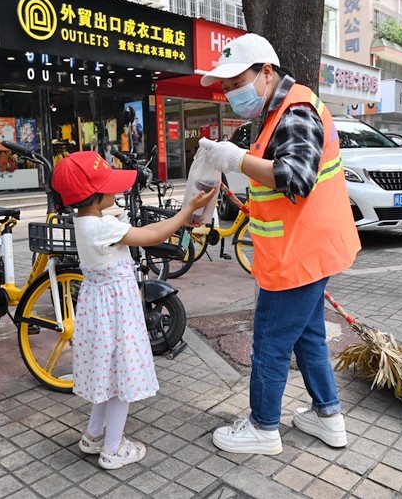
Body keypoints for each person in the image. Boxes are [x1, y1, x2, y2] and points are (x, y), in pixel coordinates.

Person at [198, 33, 361, 454]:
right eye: (227, 88)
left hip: (298, 256)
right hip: (308, 249)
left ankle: (263, 426)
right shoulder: (279, 112)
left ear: (267, 72)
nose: (231, 94)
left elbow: (297, 178)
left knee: (270, 340)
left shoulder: (296, 110)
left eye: (237, 83)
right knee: (308, 336)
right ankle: (328, 416)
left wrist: (235, 160)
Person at [51, 151, 215, 469]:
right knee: (120, 378)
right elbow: (151, 235)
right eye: (109, 186)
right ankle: (112, 449)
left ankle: (94, 434)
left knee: (108, 376)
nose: (116, 189)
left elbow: (140, 228)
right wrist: (187, 210)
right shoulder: (102, 227)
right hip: (116, 313)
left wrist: (174, 218)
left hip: (100, 310)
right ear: (94, 196)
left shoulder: (86, 221)